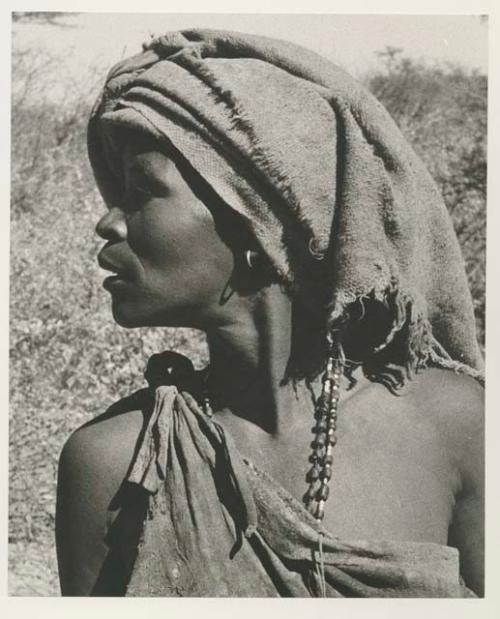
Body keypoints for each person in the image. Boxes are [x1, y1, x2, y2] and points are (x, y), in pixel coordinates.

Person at [55, 29, 484, 597]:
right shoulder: (113, 465)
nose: (108, 224)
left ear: (261, 226)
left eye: (141, 193)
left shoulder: (451, 424)